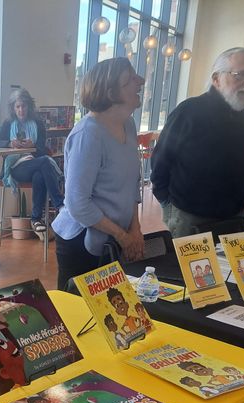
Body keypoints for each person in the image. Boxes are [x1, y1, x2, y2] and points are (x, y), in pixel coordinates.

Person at [51, 58, 145, 290]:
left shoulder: (128, 125)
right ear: (111, 92)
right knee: (79, 316)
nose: (140, 82)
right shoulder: (88, 135)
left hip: (115, 237)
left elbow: (133, 184)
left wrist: (135, 230)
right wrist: (123, 237)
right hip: (80, 243)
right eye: (130, 79)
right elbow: (78, 203)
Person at [152, 47, 244, 237]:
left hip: (233, 215)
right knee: (187, 268)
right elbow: (161, 160)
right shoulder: (189, 111)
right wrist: (167, 202)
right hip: (190, 214)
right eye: (239, 74)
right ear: (216, 78)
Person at [0, 87, 64, 233]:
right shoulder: (8, 124)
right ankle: (60, 205)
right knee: (45, 162)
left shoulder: (38, 124)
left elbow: (41, 149)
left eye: (24, 106)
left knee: (39, 175)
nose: (21, 110)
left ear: (29, 106)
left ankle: (36, 219)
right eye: (18, 107)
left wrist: (33, 145)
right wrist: (10, 144)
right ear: (13, 108)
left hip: (33, 162)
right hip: (15, 168)